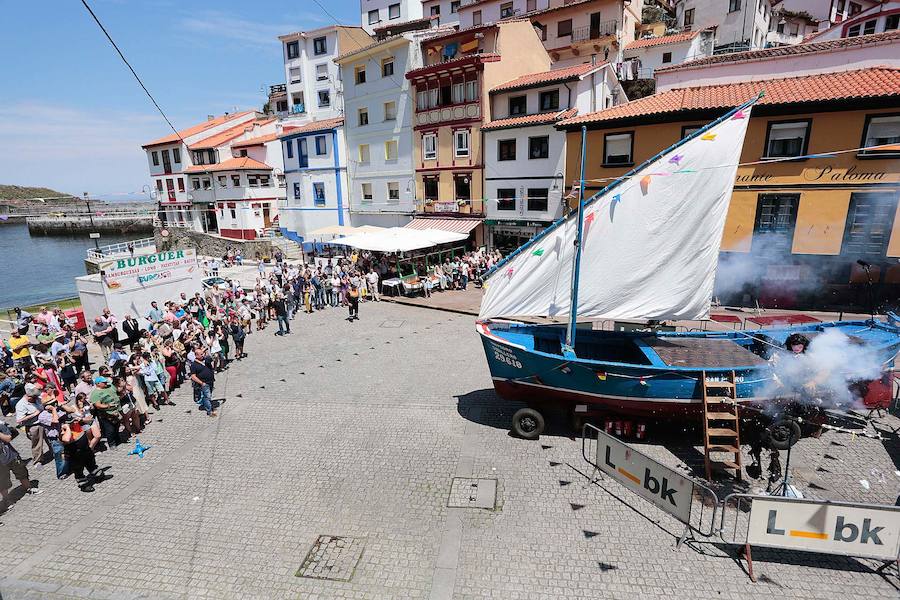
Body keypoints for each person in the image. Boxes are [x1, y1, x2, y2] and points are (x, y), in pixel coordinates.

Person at [0, 419, 42, 514]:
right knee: (3, 482)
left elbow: (9, 437)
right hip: (1, 462)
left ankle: (29, 489)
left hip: (11, 455)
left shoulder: (1, 424)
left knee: (22, 473)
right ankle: (6, 500)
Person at [15, 384, 48, 465]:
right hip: (34, 426)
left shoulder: (36, 398)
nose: (36, 398)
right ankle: (38, 461)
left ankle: (55, 453)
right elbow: (19, 420)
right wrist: (34, 414)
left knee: (51, 439)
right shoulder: (21, 404)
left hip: (45, 422)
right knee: (37, 445)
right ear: (28, 396)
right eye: (34, 397)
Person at [90, 376, 122, 448]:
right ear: (98, 383)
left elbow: (117, 390)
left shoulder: (109, 386)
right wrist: (108, 406)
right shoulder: (95, 393)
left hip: (115, 411)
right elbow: (97, 405)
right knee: (110, 429)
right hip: (106, 414)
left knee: (117, 426)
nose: (105, 383)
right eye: (103, 382)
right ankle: (111, 443)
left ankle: (117, 439)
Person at [190, 346, 217, 417]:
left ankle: (208, 405)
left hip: (210, 381)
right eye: (201, 354)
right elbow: (193, 376)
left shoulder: (206, 360)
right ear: (196, 355)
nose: (203, 355)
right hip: (204, 383)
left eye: (203, 354)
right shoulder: (194, 365)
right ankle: (209, 411)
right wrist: (202, 383)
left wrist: (206, 352)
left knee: (209, 395)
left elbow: (212, 358)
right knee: (207, 396)